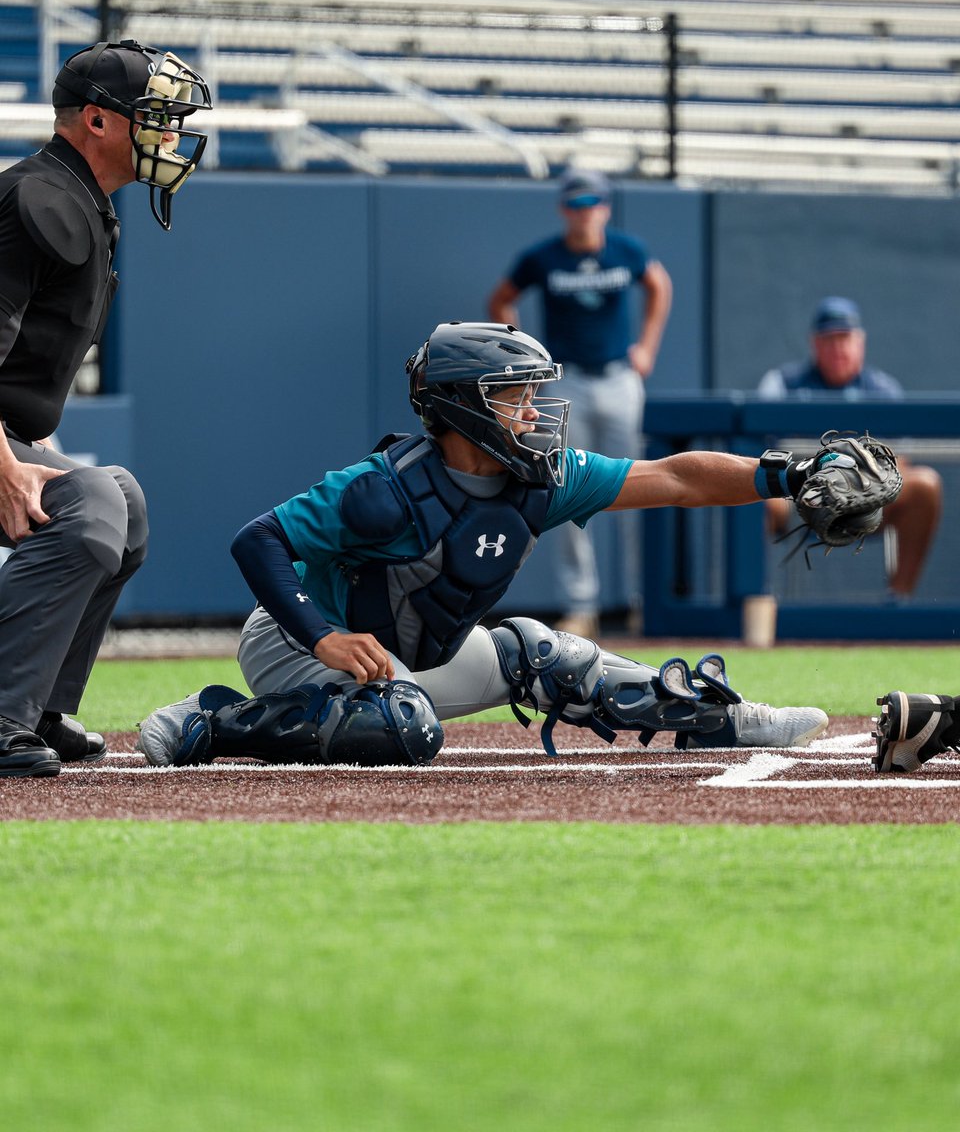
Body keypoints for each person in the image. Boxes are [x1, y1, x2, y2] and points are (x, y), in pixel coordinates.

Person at [137, 321, 839, 772]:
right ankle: (216, 719)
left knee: (546, 654)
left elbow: (678, 478)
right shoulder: (380, 490)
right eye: (514, 396)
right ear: (463, 404)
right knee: (400, 727)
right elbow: (257, 539)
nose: (534, 412)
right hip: (295, 644)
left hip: (409, 657)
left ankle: (720, 720)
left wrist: (792, 475)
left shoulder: (545, 479)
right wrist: (324, 638)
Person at [0, 39, 211, 778]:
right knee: (89, 506)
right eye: (156, 115)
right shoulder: (39, 199)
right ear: (96, 120)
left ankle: (37, 706)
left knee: (123, 502)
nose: (172, 133)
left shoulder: (75, 199)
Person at [487, 168, 672, 638]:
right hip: (567, 381)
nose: (584, 213)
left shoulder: (626, 249)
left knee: (640, 482)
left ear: (605, 208)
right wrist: (526, 359)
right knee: (566, 485)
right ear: (563, 209)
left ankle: (643, 601)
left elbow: (658, 284)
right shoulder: (543, 257)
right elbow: (501, 300)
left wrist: (647, 347)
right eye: (575, 204)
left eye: (592, 203)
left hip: (619, 376)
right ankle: (581, 606)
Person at [757, 296, 941, 597]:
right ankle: (755, 603)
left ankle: (898, 602)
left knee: (925, 485)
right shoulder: (782, 384)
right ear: (815, 344)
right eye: (829, 340)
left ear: (860, 342)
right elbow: (760, 454)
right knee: (754, 497)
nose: (838, 348)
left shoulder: (883, 390)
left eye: (845, 338)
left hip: (866, 499)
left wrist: (861, 486)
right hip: (796, 496)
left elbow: (901, 463)